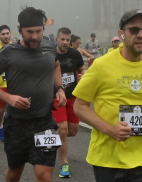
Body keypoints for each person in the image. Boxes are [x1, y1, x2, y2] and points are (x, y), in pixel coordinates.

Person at [73, 9, 142, 182]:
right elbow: (79, 106)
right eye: (134, 30)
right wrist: (111, 130)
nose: (140, 35)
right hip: (108, 161)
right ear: (121, 34)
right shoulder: (101, 65)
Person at [0, 6, 66, 182]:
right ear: (19, 30)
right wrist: (9, 98)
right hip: (17, 123)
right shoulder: (8, 53)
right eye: (29, 32)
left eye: (38, 31)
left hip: (44, 122)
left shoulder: (50, 48)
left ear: (43, 29)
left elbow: (56, 65)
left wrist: (59, 88)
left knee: (44, 176)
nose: (34, 36)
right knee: (15, 172)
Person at [52, 27, 86, 178]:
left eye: (68, 40)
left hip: (73, 96)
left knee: (72, 131)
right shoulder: (50, 54)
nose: (65, 42)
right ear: (57, 39)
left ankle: (57, 138)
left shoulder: (75, 54)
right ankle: (64, 164)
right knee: (63, 130)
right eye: (63, 39)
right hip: (56, 97)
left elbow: (83, 69)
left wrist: (82, 76)